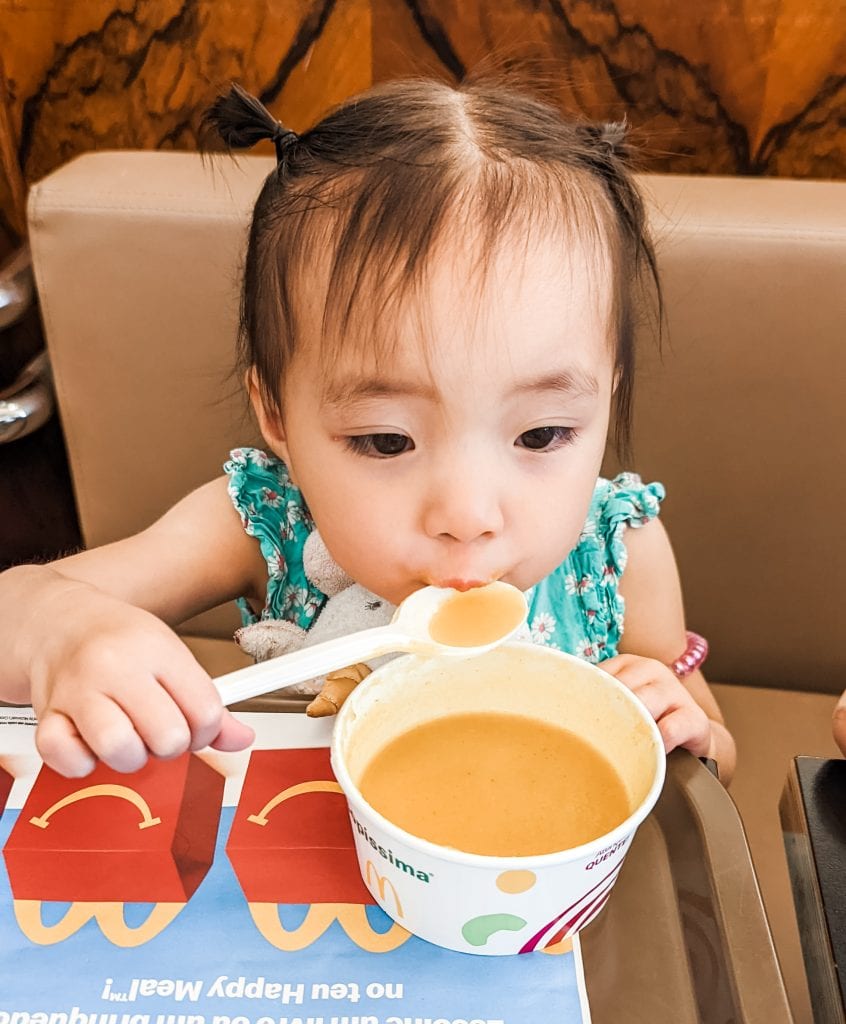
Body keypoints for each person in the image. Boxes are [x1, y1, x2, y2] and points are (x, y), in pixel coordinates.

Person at [0, 77, 736, 783]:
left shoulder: (619, 554)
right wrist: (60, 630)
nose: (468, 518)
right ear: (278, 416)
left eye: (542, 436)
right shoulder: (263, 525)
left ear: (604, 400)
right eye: (386, 441)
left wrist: (685, 731)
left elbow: (713, 759)